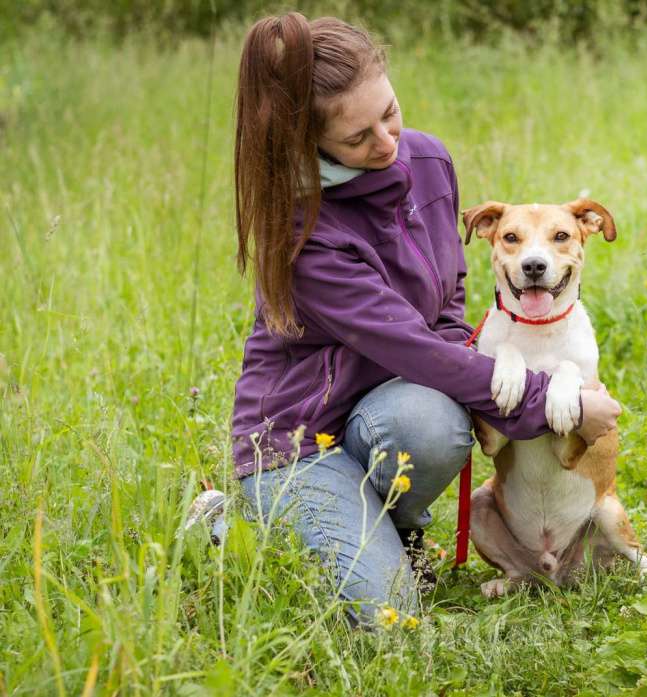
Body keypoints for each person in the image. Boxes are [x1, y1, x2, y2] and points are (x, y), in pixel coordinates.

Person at [230, 12, 622, 624]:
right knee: (385, 617)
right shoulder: (303, 233)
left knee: (433, 421)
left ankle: (397, 523)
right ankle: (225, 521)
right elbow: (416, 349)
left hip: (386, 412)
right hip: (300, 442)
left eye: (389, 113)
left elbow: (444, 305)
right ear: (310, 144)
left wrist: (521, 364)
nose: (387, 145)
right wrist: (554, 403)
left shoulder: (428, 162)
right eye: (357, 139)